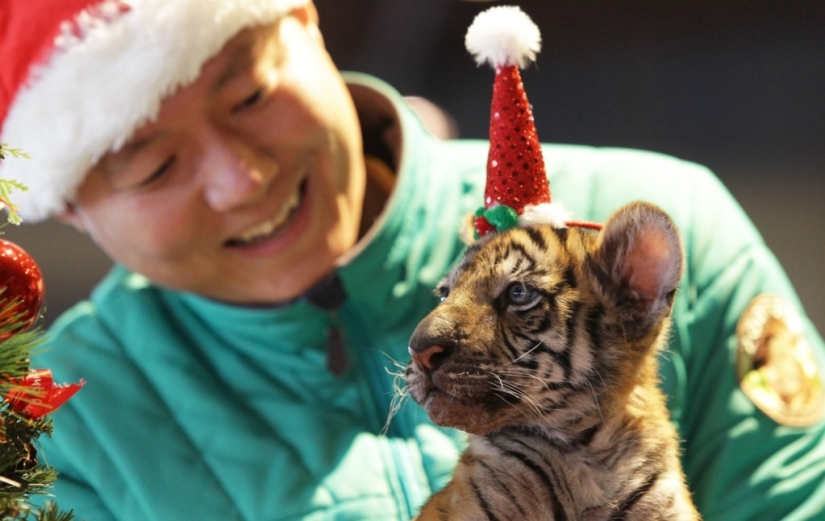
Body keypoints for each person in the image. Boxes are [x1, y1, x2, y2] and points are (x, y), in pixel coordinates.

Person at [1, 1, 823, 519]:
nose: (239, 178)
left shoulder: (656, 231)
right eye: (154, 166)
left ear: (305, 23)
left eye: (248, 96)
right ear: (71, 209)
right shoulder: (61, 419)